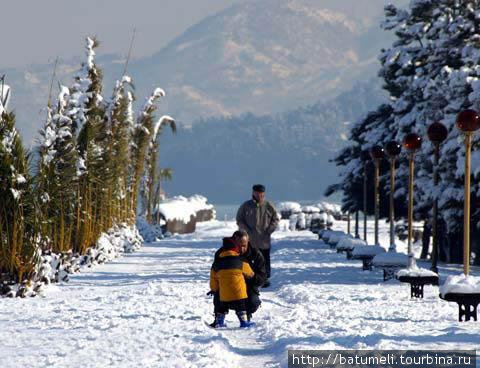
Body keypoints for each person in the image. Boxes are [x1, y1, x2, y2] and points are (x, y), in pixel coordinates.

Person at [212, 230, 266, 323]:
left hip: (248, 287)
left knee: (253, 302)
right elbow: (214, 272)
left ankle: (246, 316)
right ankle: (219, 318)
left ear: (248, 242)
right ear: (233, 242)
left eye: (244, 245)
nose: (241, 249)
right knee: (218, 292)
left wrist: (252, 277)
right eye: (238, 246)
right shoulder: (221, 253)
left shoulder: (255, 254)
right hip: (227, 285)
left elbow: (262, 277)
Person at [236, 184, 279, 287]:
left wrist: (269, 230)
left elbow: (275, 219)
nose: (259, 195)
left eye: (261, 193)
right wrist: (246, 231)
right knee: (247, 260)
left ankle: (264, 279)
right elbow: (239, 219)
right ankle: (248, 279)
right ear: (253, 193)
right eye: (257, 193)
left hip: (264, 240)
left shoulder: (269, 205)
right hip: (249, 241)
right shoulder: (246, 206)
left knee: (264, 261)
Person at [209, 235, 256, 328]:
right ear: (235, 248)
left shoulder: (217, 263)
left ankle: (220, 321)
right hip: (239, 294)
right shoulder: (241, 261)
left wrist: (214, 289)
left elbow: (213, 278)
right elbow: (250, 273)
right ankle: (243, 322)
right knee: (241, 308)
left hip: (224, 295)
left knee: (221, 308)